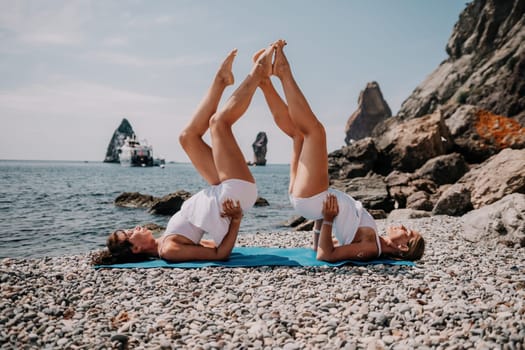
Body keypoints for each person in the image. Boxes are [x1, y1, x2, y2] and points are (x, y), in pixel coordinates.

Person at [92, 43, 277, 265]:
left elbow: (209, 245)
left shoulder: (165, 240)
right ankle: (258, 73)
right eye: (130, 234)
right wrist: (235, 220)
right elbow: (220, 254)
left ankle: (221, 80)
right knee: (218, 124)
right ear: (137, 249)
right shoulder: (169, 250)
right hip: (233, 195)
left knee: (187, 137)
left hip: (221, 191)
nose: (135, 228)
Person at [257, 40, 425, 262]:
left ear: (404, 247)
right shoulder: (374, 240)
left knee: (316, 132)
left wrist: (326, 218)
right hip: (312, 201)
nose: (404, 226)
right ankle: (264, 82)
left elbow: (325, 256)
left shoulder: (372, 248)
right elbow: (319, 246)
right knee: (298, 135)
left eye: (408, 232)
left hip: (313, 198)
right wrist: (320, 220)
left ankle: (283, 73)